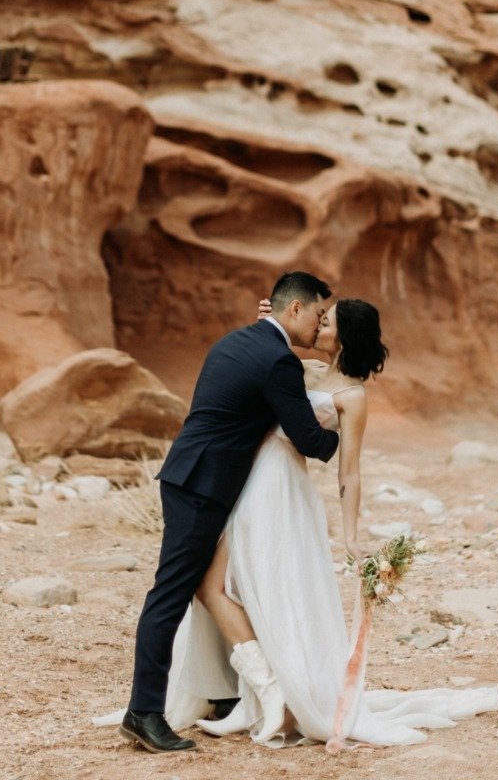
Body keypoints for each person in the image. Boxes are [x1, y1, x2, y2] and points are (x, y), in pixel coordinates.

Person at [154, 297, 498, 748]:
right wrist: (268, 321)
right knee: (227, 586)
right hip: (242, 479)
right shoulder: (300, 369)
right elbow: (269, 353)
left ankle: (273, 694)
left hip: (277, 489)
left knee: (232, 585)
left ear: (345, 335)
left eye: (328, 320)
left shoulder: (353, 397)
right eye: (319, 316)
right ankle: (257, 691)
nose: (318, 324)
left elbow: (349, 471)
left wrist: (352, 535)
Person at [118, 271, 340, 754]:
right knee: (172, 594)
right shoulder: (278, 361)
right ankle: (144, 712)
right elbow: (309, 440)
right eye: (319, 315)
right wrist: (339, 434)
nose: (321, 325)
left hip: (191, 476)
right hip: (203, 487)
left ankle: (218, 694)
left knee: (209, 590)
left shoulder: (238, 340)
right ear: (295, 310)